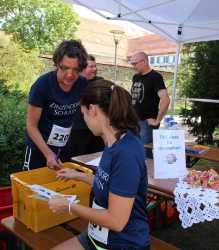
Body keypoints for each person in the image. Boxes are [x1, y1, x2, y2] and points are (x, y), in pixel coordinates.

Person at [48, 80, 150, 250]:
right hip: (96, 237)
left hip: (123, 244)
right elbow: (107, 183)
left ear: (92, 110)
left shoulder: (127, 152)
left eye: (84, 115)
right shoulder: (112, 141)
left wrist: (68, 206)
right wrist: (79, 175)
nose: (85, 121)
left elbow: (116, 221)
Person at [23, 39, 88, 170]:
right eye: (65, 68)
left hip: (63, 148)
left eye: (76, 69)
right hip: (39, 148)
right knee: (34, 188)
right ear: (58, 64)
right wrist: (48, 154)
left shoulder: (82, 84)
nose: (70, 75)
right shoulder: (42, 86)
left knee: (61, 187)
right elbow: (31, 126)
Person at [130, 52, 170, 144]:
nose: (133, 66)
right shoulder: (136, 77)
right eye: (132, 64)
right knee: (134, 150)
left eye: (135, 63)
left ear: (144, 62)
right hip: (133, 121)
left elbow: (166, 99)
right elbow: (135, 98)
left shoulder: (155, 77)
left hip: (146, 124)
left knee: (145, 153)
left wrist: (158, 120)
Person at [68, 55, 104, 157]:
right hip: (78, 128)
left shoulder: (100, 81)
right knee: (78, 157)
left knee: (96, 156)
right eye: (91, 67)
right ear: (82, 68)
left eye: (95, 66)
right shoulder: (73, 83)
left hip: (97, 128)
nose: (95, 69)